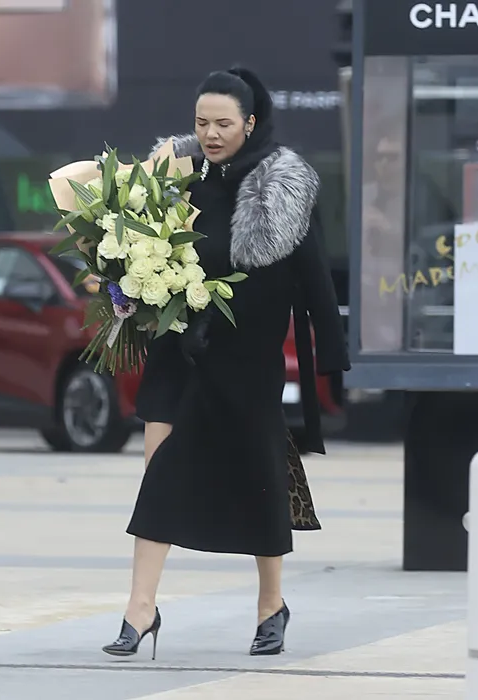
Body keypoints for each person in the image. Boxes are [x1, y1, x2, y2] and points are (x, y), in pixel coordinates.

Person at [102, 66, 350, 659]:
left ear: (250, 123)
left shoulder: (282, 187)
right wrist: (123, 287)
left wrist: (333, 351)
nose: (210, 134)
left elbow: (312, 273)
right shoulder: (175, 181)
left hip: (246, 357)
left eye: (223, 124)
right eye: (201, 123)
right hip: (179, 352)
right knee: (160, 475)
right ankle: (140, 609)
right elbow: (140, 256)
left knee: (259, 479)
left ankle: (271, 605)